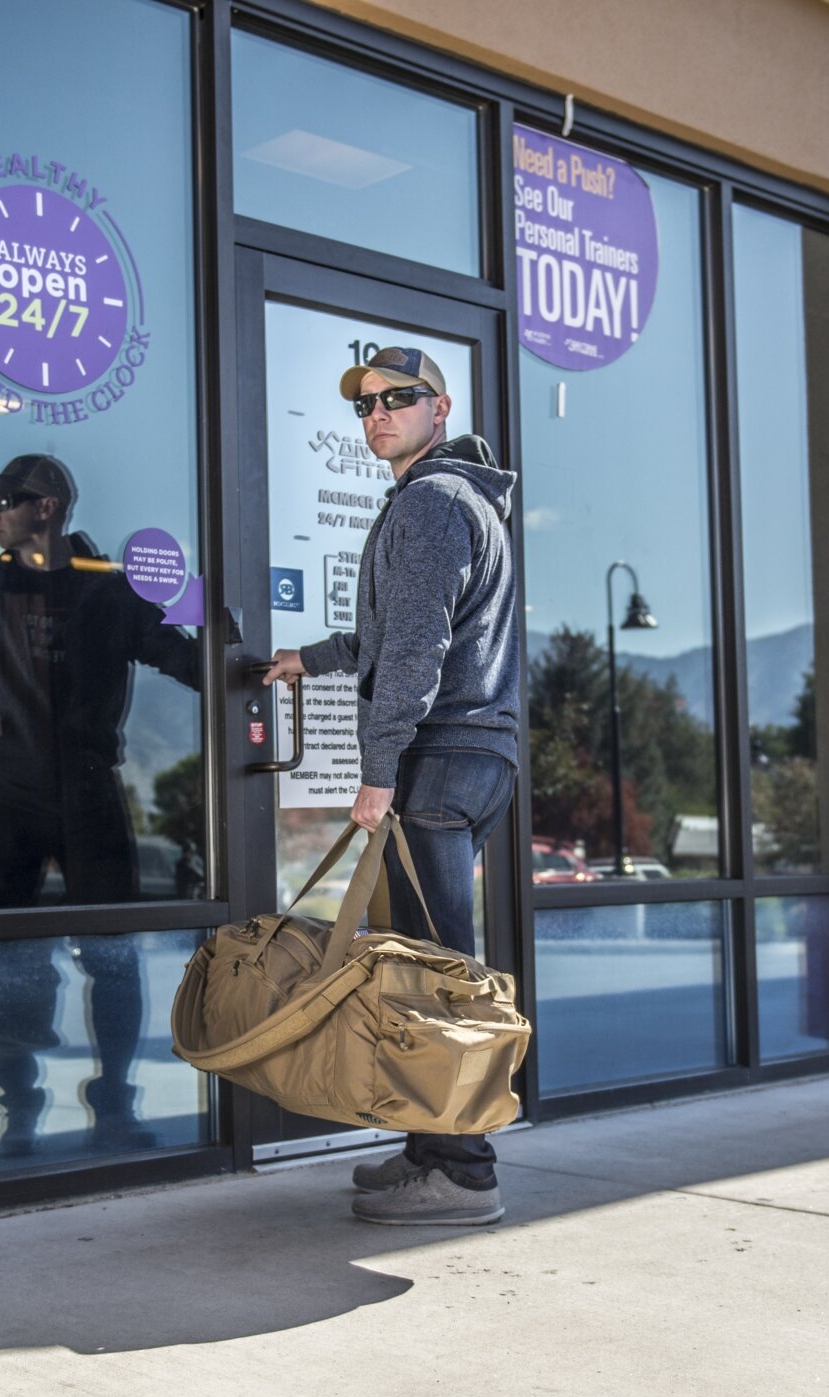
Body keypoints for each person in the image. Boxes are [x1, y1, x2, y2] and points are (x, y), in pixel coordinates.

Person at [264, 346, 522, 1228]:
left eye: (397, 398)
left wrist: (378, 773)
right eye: (365, 402)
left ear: (439, 407)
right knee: (423, 967)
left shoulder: (432, 503)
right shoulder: (460, 502)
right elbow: (391, 633)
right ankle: (428, 1146)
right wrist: (310, 659)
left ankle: (464, 1172)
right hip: (474, 759)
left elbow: (415, 648)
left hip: (439, 761)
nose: (377, 413)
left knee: (438, 977)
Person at [0, 452, 201, 1155]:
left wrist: (238, 643)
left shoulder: (108, 595)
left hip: (89, 790)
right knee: (4, 960)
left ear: (43, 506)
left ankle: (113, 1108)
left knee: (112, 956)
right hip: (3, 798)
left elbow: (178, 655)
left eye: (3, 501)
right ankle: (17, 1110)